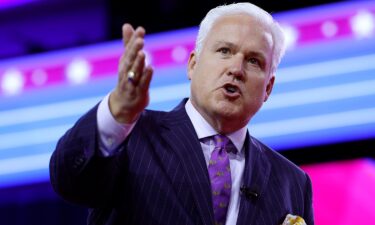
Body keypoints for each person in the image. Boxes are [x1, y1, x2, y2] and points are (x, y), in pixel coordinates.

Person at [50, 2, 314, 225]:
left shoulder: (293, 182)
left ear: (268, 87)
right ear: (193, 65)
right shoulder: (133, 135)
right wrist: (116, 113)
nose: (236, 68)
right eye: (224, 51)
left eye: (254, 61)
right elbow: (68, 180)